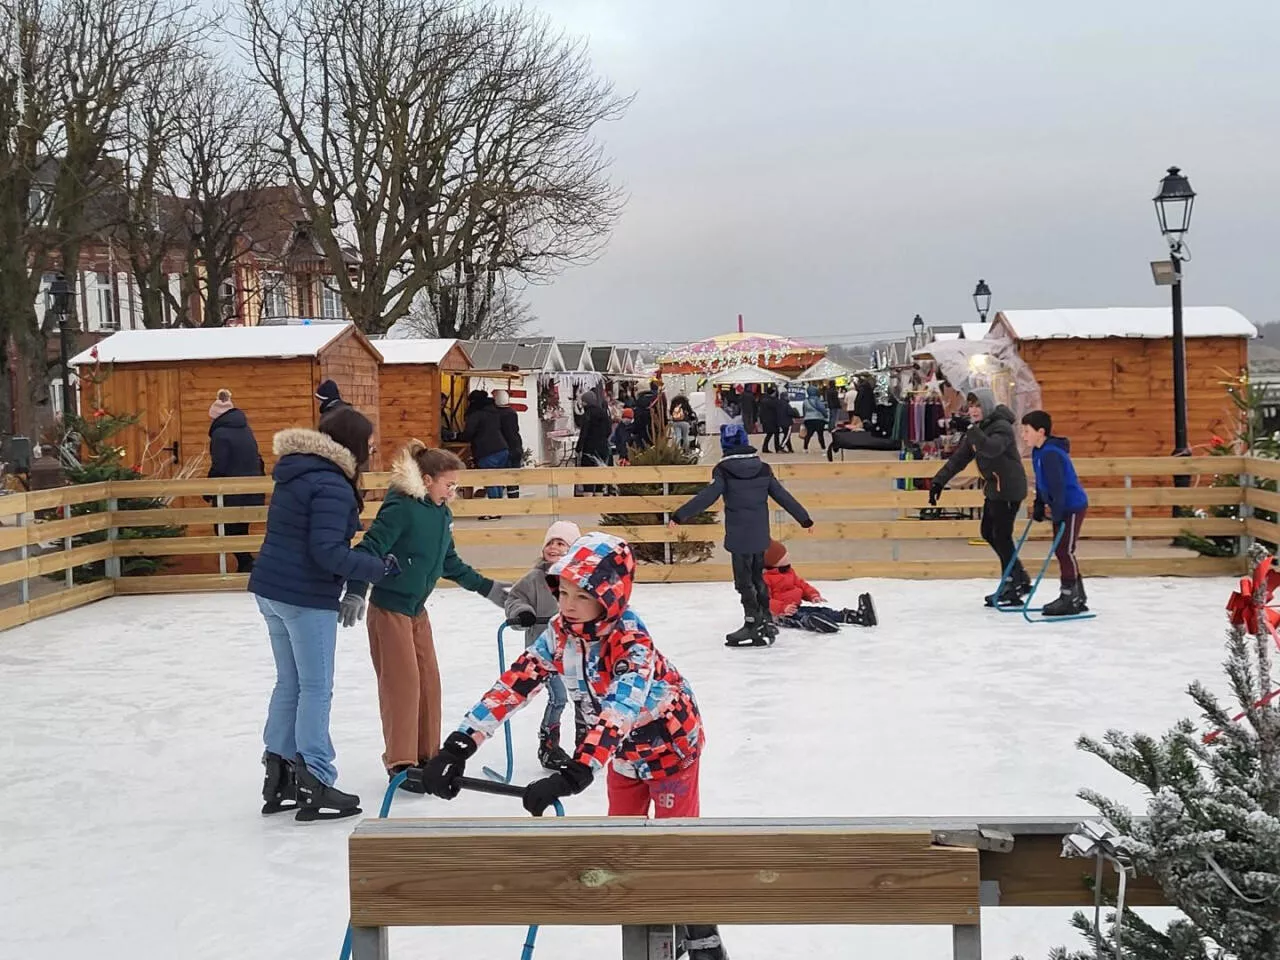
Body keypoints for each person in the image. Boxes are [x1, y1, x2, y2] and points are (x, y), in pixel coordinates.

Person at [417, 533, 728, 960]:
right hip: (619, 756)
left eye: (582, 595)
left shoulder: (632, 641)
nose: (567, 604)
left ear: (610, 596)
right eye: (562, 592)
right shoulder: (562, 634)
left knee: (676, 842)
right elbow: (516, 683)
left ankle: (699, 930)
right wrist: (458, 746)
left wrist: (576, 771)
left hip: (670, 750)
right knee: (623, 839)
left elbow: (620, 708)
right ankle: (646, 929)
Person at [249, 406, 399, 822]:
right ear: (351, 442)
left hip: (272, 590)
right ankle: (315, 778)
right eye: (368, 443)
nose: (372, 450)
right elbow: (327, 552)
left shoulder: (298, 471)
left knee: (290, 684)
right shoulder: (331, 484)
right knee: (316, 688)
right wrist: (377, 569)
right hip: (303, 597)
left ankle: (278, 773)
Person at [339, 442, 509, 790]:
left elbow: (449, 562)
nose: (453, 492)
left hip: (417, 610)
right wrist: (356, 589)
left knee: (429, 683)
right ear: (427, 479)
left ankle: (426, 756)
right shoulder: (402, 508)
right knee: (402, 687)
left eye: (455, 486)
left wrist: (487, 588)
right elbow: (369, 548)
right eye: (449, 484)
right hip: (390, 609)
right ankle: (400, 763)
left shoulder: (441, 514)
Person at [670, 423, 814, 647]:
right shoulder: (763, 468)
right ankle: (765, 619)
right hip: (760, 537)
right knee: (758, 578)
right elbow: (783, 496)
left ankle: (752, 623)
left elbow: (707, 496)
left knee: (744, 582)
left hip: (739, 539)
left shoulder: (723, 471)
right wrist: (804, 519)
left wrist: (679, 516)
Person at [928, 388, 1030, 607]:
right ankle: (1017, 578)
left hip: (1009, 488)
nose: (973, 410)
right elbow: (959, 459)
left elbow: (992, 449)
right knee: (988, 531)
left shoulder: (1000, 427)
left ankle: (1013, 582)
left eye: (977, 406)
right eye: (971, 406)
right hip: (995, 487)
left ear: (987, 406)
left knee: (1001, 535)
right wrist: (938, 482)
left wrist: (972, 430)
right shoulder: (979, 429)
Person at [504, 520, 582, 770]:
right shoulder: (534, 578)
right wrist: (524, 612)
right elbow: (514, 598)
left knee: (583, 697)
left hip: (577, 651)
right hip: (546, 651)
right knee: (559, 697)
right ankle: (548, 746)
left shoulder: (578, 578)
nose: (554, 548)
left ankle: (586, 745)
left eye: (561, 543)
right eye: (550, 543)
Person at [1022, 411, 1090, 617]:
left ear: (1040, 432)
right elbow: (1043, 482)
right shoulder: (1039, 452)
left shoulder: (1051, 453)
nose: (1023, 436)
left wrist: (1058, 512)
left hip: (1072, 506)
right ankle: (1077, 595)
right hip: (1061, 505)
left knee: (1064, 550)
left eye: (1027, 431)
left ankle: (1070, 595)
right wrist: (1040, 503)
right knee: (1061, 549)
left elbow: (1059, 486)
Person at [206, 388, 264, 574]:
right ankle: (245, 565)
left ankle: (247, 563)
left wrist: (208, 490)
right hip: (253, 488)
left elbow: (220, 466)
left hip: (233, 492)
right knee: (240, 530)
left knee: (224, 529)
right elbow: (258, 459)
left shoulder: (220, 434)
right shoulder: (246, 429)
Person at [762, 539, 876, 632]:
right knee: (801, 617)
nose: (788, 555)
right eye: (784, 556)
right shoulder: (765, 578)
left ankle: (857, 617)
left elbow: (802, 585)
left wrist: (813, 595)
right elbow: (764, 601)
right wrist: (782, 608)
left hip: (796, 607)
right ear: (774, 562)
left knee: (822, 611)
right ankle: (814, 622)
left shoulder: (789, 572)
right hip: (781, 615)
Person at [459, 389, 508, 510]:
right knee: (497, 479)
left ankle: (493, 510)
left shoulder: (475, 415)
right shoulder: (494, 412)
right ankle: (499, 507)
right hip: (502, 449)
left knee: (489, 480)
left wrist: (457, 436)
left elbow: (468, 434)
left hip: (487, 451)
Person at [576, 389, 613, 494]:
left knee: (587, 473)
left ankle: (588, 497)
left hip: (590, 449)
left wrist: (578, 448)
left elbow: (584, 433)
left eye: (583, 401)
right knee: (600, 473)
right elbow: (609, 430)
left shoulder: (588, 414)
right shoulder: (603, 412)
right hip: (602, 447)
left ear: (585, 402)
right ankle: (599, 494)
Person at [493, 389, 524, 499]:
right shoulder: (512, 412)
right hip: (515, 446)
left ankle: (501, 498)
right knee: (513, 475)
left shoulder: (495, 414)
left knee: (500, 474)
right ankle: (514, 498)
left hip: (502, 447)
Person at [801, 386, 829, 452]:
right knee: (820, 434)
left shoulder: (805, 401)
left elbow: (804, 411)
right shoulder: (818, 400)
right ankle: (823, 448)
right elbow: (822, 409)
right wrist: (826, 416)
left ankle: (805, 448)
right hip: (819, 419)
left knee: (808, 434)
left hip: (808, 420)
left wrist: (805, 418)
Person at [758, 385, 780, 453]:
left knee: (769, 434)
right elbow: (776, 407)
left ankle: (765, 447)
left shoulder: (763, 400)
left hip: (766, 420)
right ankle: (777, 448)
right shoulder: (771, 401)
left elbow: (760, 412)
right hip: (772, 420)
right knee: (776, 434)